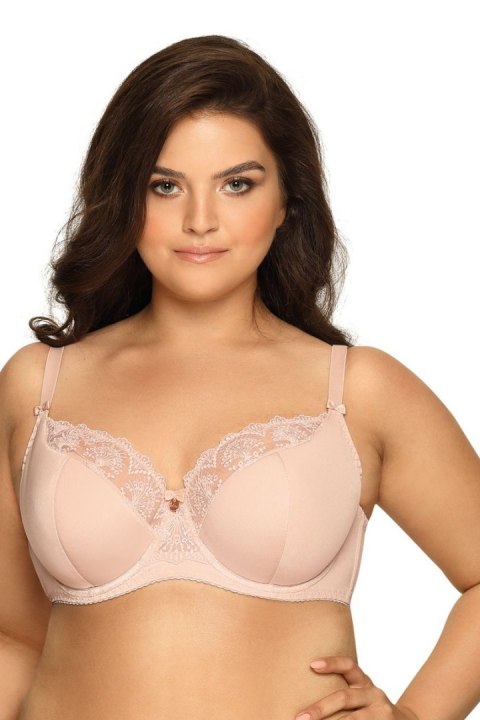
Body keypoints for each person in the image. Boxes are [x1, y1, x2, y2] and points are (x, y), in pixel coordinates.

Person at [1, 33, 479, 720]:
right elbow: (16, 638)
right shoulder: (36, 387)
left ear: (287, 201)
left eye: (237, 184)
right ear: (123, 197)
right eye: (165, 186)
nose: (200, 221)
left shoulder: (356, 392)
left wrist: (412, 718)